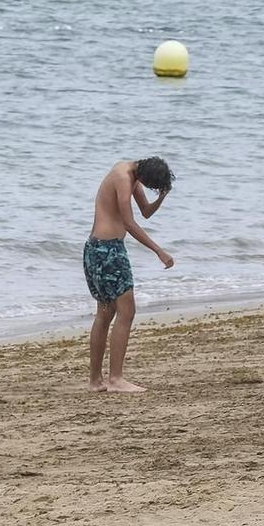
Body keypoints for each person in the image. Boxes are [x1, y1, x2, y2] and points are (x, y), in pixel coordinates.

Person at [85, 156, 175, 393]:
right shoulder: (123, 177)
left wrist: (162, 197)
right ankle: (115, 379)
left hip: (97, 249)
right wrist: (159, 251)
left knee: (106, 312)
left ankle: (96, 381)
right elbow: (129, 222)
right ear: (143, 176)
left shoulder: (132, 172)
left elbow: (145, 212)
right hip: (108, 251)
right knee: (126, 311)